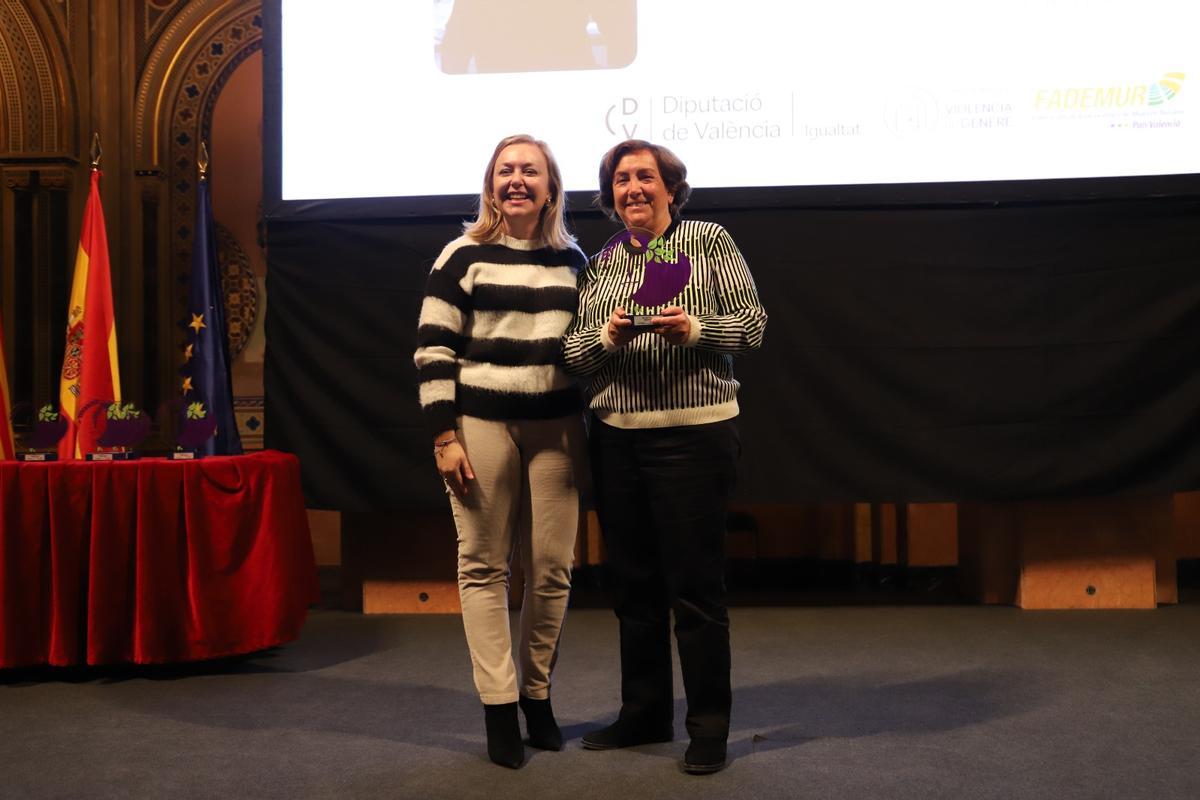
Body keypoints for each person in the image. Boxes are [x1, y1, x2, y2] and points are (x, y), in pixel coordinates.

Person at [562, 140, 767, 775]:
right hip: (618, 436)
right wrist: (605, 336)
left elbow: (753, 327)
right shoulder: (602, 263)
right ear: (611, 195)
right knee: (634, 588)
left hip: (694, 436)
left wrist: (696, 330)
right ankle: (644, 713)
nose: (634, 189)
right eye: (621, 180)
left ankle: (707, 725)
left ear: (670, 187)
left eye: (645, 177)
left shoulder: (709, 241)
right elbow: (573, 356)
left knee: (696, 590)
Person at [414, 134, 587, 769]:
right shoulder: (462, 256)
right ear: (491, 185)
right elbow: (434, 351)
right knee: (484, 564)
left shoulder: (575, 261)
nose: (517, 180)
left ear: (550, 188)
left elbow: (587, 349)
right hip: (480, 425)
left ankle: (536, 695)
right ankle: (498, 706)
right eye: (506, 170)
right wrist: (444, 437)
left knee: (552, 569)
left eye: (530, 171)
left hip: (558, 430)